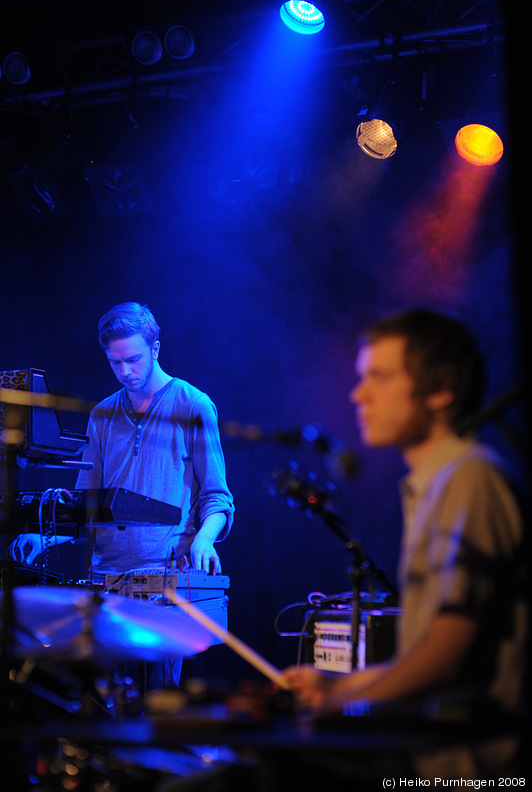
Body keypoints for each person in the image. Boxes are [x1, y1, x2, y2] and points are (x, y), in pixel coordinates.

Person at [282, 308, 528, 781]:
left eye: (380, 377)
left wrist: (343, 697)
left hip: (472, 769)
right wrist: (336, 682)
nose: (359, 394)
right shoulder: (434, 484)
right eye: (362, 377)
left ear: (439, 392)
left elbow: (446, 654)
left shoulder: (471, 477)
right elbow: (420, 657)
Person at [9, 301, 234, 687]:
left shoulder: (193, 405)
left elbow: (217, 496)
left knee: (156, 703)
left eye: (134, 360)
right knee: (101, 705)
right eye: (115, 363)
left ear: (156, 348)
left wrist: (205, 538)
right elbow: (85, 506)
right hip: (105, 579)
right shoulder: (101, 415)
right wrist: (44, 536)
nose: (125, 372)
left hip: (164, 577)